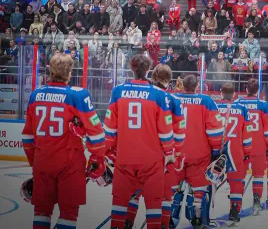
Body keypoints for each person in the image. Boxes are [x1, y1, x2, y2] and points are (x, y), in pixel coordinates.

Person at [21, 54, 106, 229]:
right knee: (69, 212)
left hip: (43, 162)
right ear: (70, 72)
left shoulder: (35, 95)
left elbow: (27, 137)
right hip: (70, 164)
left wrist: (34, 162)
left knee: (41, 211)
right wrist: (97, 160)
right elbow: (96, 133)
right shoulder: (78, 95)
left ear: (50, 71)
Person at [103, 55, 176, 229]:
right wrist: (170, 154)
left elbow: (110, 129)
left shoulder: (118, 91)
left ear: (132, 69)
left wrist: (108, 153)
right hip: (151, 161)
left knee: (120, 202)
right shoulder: (158, 94)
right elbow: (166, 133)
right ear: (148, 70)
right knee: (153, 204)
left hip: (124, 158)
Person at [172, 75, 224, 227]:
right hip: (199, 153)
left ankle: (169, 219)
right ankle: (197, 218)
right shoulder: (206, 101)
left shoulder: (172, 98)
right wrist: (215, 150)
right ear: (197, 86)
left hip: (175, 153)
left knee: (172, 188)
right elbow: (215, 131)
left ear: (183, 86)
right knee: (199, 189)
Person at [234, 78, 268, 213]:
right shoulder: (263, 105)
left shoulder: (237, 102)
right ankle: (257, 202)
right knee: (258, 176)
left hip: (241, 145)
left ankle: (235, 205)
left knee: (239, 177)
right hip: (259, 145)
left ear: (246, 90)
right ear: (258, 91)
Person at [216, 82, 252, 224]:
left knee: (207, 183)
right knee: (237, 183)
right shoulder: (242, 108)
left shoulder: (214, 106)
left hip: (217, 151)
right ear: (235, 94)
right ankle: (235, 211)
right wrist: (247, 152)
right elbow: (247, 135)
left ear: (221, 92)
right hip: (236, 151)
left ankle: (201, 213)